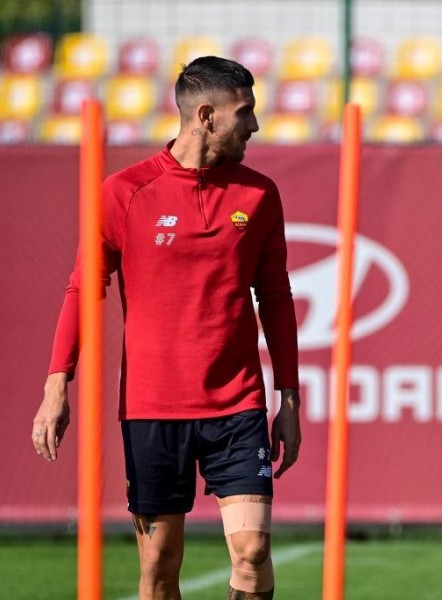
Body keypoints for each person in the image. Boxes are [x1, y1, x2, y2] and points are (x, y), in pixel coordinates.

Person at [31, 56, 301, 600]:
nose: (254, 125)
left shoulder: (260, 194)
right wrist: (57, 383)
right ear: (206, 115)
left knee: (252, 556)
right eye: (244, 112)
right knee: (158, 570)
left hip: (237, 407)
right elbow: (84, 288)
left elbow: (275, 297)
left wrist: (288, 399)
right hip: (153, 409)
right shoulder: (124, 192)